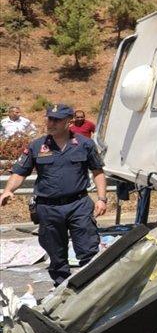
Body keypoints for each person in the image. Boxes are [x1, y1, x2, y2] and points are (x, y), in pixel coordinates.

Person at [0, 104, 107, 285]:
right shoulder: (36, 146)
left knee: (89, 251)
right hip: (48, 207)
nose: (51, 123)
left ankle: (91, 290)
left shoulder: (85, 144)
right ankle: (61, 290)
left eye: (56, 120)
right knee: (56, 255)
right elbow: (20, 172)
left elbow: (98, 171)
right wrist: (8, 190)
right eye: (49, 118)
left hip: (78, 204)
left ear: (69, 122)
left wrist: (102, 199)